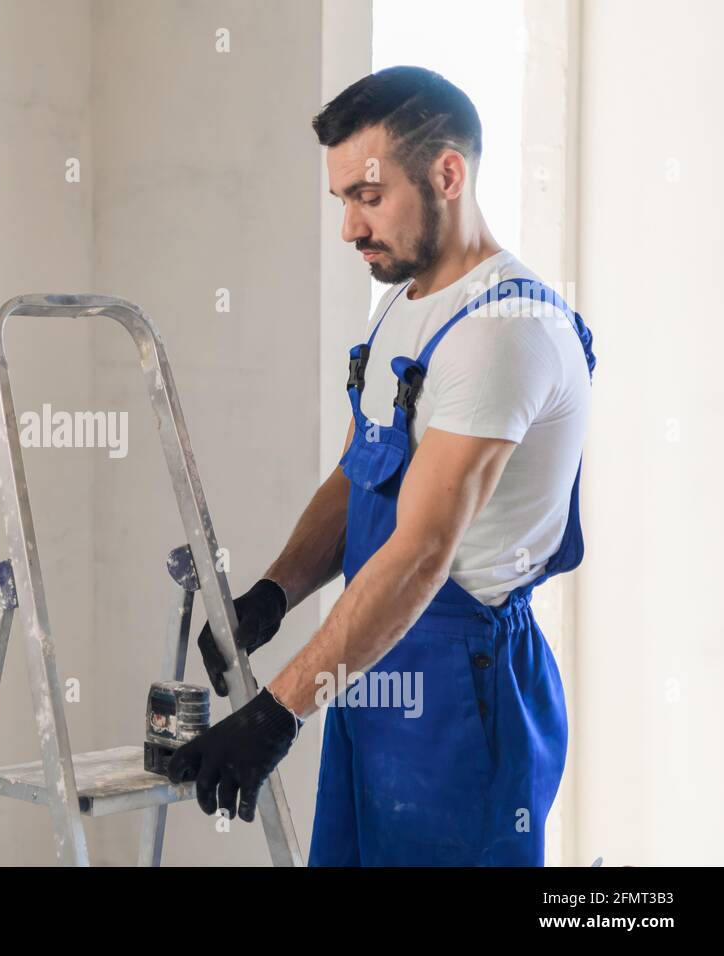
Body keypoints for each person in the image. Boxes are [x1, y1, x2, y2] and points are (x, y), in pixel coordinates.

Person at [166, 65, 596, 866]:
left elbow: (422, 552)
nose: (350, 230)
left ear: (447, 173)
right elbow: (360, 475)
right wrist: (276, 593)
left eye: (368, 197)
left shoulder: (506, 330)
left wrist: (276, 714)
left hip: (461, 689)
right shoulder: (402, 301)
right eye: (342, 203)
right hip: (369, 660)